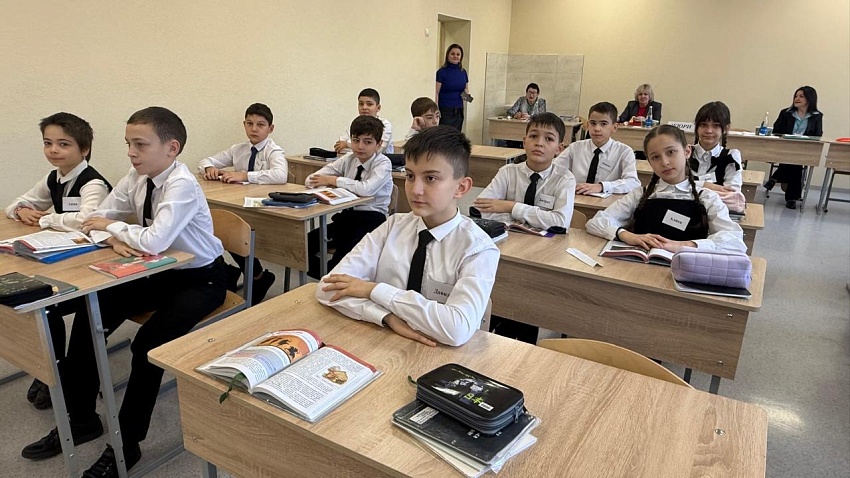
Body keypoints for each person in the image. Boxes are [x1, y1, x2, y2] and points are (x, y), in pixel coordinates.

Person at [21, 107, 228, 477]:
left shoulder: (181, 184)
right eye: (128, 144)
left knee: (147, 344)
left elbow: (154, 240)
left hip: (201, 278)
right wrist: (113, 235)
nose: (131, 153)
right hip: (158, 270)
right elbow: (93, 221)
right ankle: (81, 420)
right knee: (91, 311)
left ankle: (126, 444)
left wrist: (114, 229)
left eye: (140, 144)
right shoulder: (136, 177)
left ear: (172, 148)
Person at [316, 126, 499, 347]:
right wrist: (386, 317)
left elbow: (457, 329)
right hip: (382, 342)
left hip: (440, 354)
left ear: (461, 187)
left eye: (430, 178)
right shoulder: (393, 226)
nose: (415, 190)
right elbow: (326, 288)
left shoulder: (478, 249)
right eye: (410, 176)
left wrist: (373, 290)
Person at [4, 112, 112, 410]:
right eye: (48, 143)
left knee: (46, 303)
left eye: (64, 144)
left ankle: (58, 370)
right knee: (38, 303)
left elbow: (86, 220)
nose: (53, 150)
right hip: (64, 258)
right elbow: (17, 203)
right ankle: (50, 367)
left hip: (93, 266)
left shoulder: (93, 183)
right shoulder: (54, 177)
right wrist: (22, 211)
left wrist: (47, 218)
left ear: (84, 149)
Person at [473, 112, 575, 344]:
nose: (539, 143)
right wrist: (538, 216)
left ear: (559, 148)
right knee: (499, 301)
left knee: (526, 310)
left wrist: (511, 206)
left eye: (548, 139)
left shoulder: (564, 179)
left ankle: (522, 338)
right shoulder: (508, 172)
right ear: (524, 141)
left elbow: (560, 221)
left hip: (542, 255)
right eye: (533, 136)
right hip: (506, 248)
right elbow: (481, 207)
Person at [586, 125, 746, 254]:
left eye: (671, 152)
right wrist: (627, 236)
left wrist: (682, 245)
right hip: (639, 269)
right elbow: (595, 222)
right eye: (655, 157)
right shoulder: (640, 195)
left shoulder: (707, 198)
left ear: (687, 151)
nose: (665, 162)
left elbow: (735, 241)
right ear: (649, 162)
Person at [198, 102, 284, 303]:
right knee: (224, 230)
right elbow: (205, 161)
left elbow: (280, 174)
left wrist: (245, 175)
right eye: (249, 123)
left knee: (236, 233)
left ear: (270, 128)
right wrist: (210, 168)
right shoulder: (238, 149)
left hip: (263, 207)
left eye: (260, 125)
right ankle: (237, 272)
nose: (254, 129)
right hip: (240, 203)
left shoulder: (273, 151)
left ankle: (257, 276)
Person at [307, 116, 393, 278]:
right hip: (347, 217)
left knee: (341, 262)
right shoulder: (349, 159)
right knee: (304, 245)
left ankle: (335, 274)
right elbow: (311, 180)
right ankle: (328, 274)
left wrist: (335, 181)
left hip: (372, 219)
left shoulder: (383, 163)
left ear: (378, 144)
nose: (360, 146)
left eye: (367, 142)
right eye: (356, 140)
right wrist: (326, 183)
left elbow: (366, 189)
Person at [555, 102, 640, 196]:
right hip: (576, 198)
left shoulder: (624, 152)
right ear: (588, 125)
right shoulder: (575, 148)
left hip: (607, 202)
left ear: (614, 127)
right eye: (593, 123)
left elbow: (633, 183)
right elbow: (554, 170)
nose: (597, 129)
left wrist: (602, 186)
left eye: (603, 124)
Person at [763, 86, 823, 209]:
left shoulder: (817, 116)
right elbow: (776, 130)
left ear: (810, 99)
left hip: (804, 149)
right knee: (795, 164)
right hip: (785, 147)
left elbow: (818, 134)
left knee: (796, 160)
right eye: (796, 96)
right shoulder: (786, 113)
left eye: (801, 96)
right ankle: (791, 198)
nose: (797, 98)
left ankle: (776, 177)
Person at [689, 101, 743, 191]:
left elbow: (732, 192)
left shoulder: (731, 156)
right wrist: (710, 186)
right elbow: (671, 185)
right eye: (703, 125)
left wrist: (690, 185)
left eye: (715, 126)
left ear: (726, 128)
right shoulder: (684, 153)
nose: (709, 131)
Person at [334, 88, 394, 154]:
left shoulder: (385, 125)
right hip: (354, 160)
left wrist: (347, 144)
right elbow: (340, 148)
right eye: (361, 104)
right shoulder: (356, 123)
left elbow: (377, 150)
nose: (364, 107)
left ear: (378, 108)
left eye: (369, 104)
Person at [436, 44, 470, 131]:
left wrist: (467, 96)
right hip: (445, 109)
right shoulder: (441, 72)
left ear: (461, 57)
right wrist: (436, 109)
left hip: (459, 109)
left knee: (456, 134)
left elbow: (465, 88)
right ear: (447, 56)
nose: (455, 56)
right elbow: (436, 92)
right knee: (445, 134)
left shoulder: (463, 72)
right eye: (452, 54)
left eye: (458, 54)